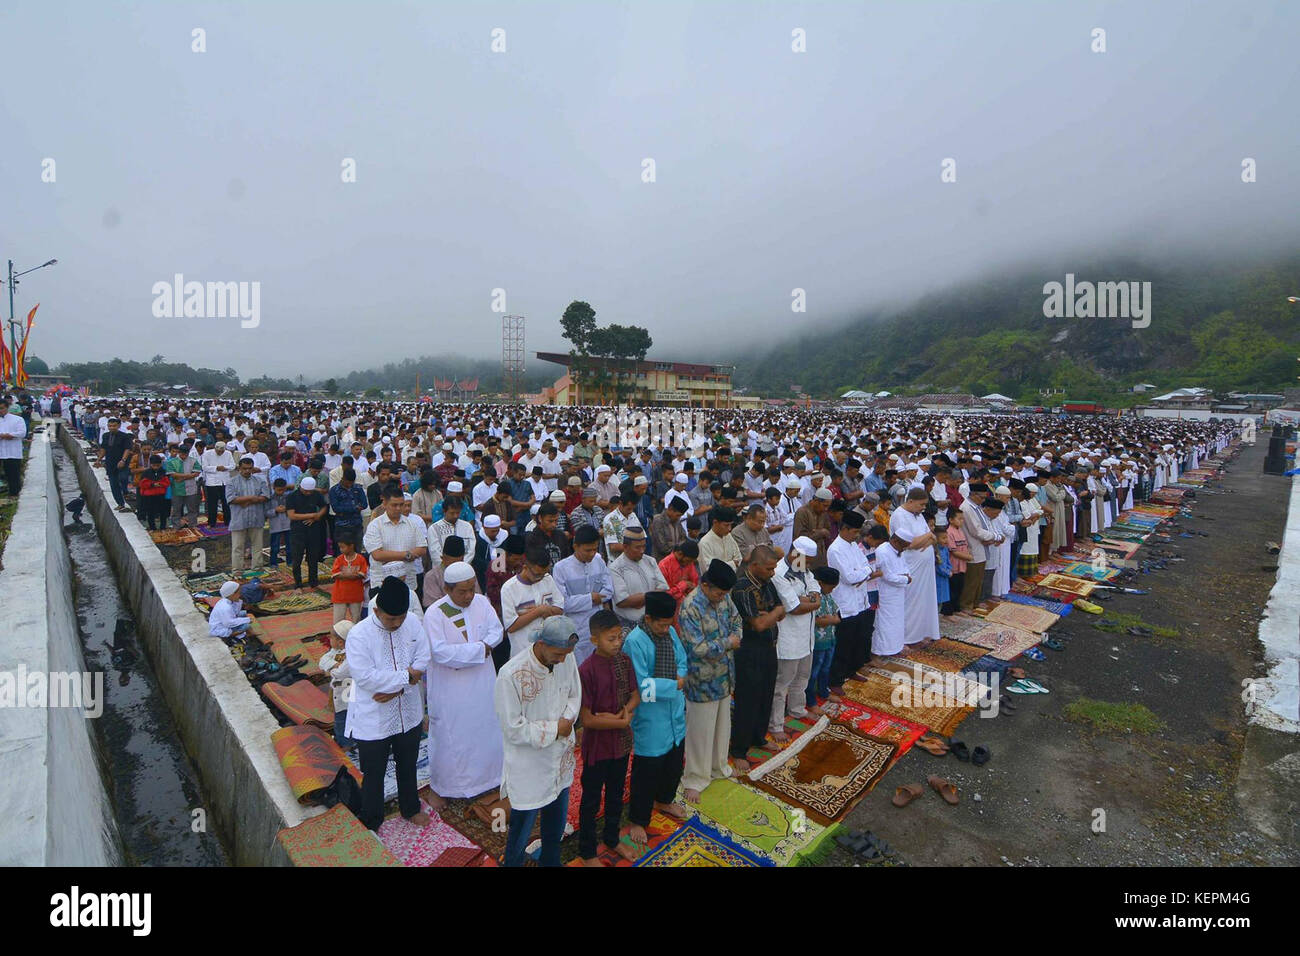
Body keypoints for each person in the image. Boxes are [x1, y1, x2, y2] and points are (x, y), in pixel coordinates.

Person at [495, 614, 582, 867]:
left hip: (561, 759)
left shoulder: (567, 656)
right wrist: (556, 729)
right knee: (521, 831)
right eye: (558, 654)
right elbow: (512, 729)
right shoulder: (511, 675)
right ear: (541, 643)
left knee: (554, 829)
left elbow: (574, 695)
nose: (563, 660)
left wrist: (566, 722)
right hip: (530, 765)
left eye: (566, 654)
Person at [347, 576, 431, 831]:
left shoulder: (413, 623)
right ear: (376, 611)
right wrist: (407, 678)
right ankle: (372, 820)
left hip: (408, 710)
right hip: (374, 716)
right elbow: (366, 677)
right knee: (374, 772)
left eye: (401, 618)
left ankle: (410, 808)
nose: (397, 624)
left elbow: (423, 658)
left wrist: (396, 690)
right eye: (390, 619)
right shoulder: (359, 634)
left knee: (408, 763)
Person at [424, 562, 505, 810]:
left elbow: (497, 631)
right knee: (450, 737)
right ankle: (444, 788)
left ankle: (488, 780)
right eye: (462, 591)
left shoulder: (481, 602)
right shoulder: (435, 614)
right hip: (451, 691)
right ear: (447, 589)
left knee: (485, 730)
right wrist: (481, 648)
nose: (468, 596)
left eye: (471, 589)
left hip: (483, 683)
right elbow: (440, 653)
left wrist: (481, 647)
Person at [623, 591, 689, 850]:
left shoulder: (670, 632)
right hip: (651, 719)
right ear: (648, 618)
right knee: (647, 770)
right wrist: (675, 684)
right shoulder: (635, 641)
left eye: (668, 623)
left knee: (673, 763)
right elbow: (642, 686)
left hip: (674, 712)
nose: (666, 629)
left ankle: (664, 800)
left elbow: (682, 661)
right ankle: (638, 818)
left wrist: (678, 681)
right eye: (661, 624)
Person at [576, 609, 640, 865]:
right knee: (591, 800)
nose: (616, 643)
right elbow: (588, 719)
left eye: (618, 637)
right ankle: (588, 851)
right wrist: (619, 720)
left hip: (621, 743)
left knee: (616, 793)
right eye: (610, 639)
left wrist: (627, 711)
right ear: (594, 640)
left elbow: (635, 694)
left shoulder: (624, 661)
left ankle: (612, 839)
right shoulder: (586, 670)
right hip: (597, 746)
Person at [677, 559, 742, 796]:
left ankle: (719, 767)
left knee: (722, 726)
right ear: (705, 585)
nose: (722, 597)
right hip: (702, 680)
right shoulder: (691, 606)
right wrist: (728, 643)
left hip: (724, 675)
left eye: (725, 593)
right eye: (719, 592)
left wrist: (735, 636)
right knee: (700, 731)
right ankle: (695, 778)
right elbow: (697, 648)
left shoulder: (724, 598)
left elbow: (737, 620)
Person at [729, 545, 786, 764]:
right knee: (748, 699)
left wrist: (771, 614)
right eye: (769, 569)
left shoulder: (767, 582)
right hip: (750, 651)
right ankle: (739, 749)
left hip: (769, 647)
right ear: (754, 566)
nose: (773, 573)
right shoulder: (742, 588)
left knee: (765, 695)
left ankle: (758, 737)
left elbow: (781, 610)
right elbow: (759, 623)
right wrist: (773, 614)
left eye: (774, 569)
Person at [769, 536, 823, 739]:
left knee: (802, 678)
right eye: (806, 560)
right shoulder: (778, 572)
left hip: (806, 637)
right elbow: (794, 607)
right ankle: (776, 724)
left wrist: (809, 598)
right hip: (788, 638)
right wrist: (811, 601)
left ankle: (797, 709)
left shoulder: (803, 569)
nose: (808, 565)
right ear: (794, 553)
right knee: (782, 684)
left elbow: (815, 588)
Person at [552, 525, 614, 666]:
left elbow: (609, 591)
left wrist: (596, 598)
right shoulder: (561, 568)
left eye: (595, 549)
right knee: (579, 668)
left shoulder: (599, 561)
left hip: (598, 625)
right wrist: (591, 598)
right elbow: (563, 603)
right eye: (588, 550)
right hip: (575, 627)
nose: (592, 553)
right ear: (575, 546)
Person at [826, 510, 872, 694]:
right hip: (845, 603)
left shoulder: (854, 546)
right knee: (843, 645)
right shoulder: (835, 549)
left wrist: (862, 573)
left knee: (858, 641)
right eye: (854, 532)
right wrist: (862, 574)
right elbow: (848, 577)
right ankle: (835, 680)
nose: (856, 536)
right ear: (844, 529)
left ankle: (851, 670)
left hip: (860, 601)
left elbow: (868, 566)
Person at [891, 488, 941, 647]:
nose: (923, 508)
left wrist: (927, 539)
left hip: (925, 568)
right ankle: (906, 638)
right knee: (910, 602)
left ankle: (921, 634)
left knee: (925, 601)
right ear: (910, 501)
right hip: (910, 566)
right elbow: (909, 543)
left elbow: (933, 539)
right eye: (921, 504)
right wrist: (927, 537)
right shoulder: (899, 515)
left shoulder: (918, 515)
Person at [501, 546, 563, 658]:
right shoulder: (509, 588)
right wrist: (539, 611)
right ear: (525, 567)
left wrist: (539, 610)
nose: (540, 578)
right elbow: (511, 626)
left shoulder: (547, 579)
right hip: (523, 653)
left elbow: (560, 610)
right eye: (537, 574)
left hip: (550, 650)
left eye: (544, 574)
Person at [363, 485, 426, 594]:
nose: (398, 508)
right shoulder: (375, 525)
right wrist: (407, 555)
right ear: (384, 503)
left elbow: (422, 549)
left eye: (401, 505)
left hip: (408, 582)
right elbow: (377, 555)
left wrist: (389, 556)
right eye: (394, 505)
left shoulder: (412, 524)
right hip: (381, 583)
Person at [610, 527, 668, 635]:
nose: (642, 551)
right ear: (625, 547)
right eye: (637, 548)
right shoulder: (615, 568)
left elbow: (664, 589)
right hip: (629, 627)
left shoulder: (650, 561)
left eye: (644, 546)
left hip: (653, 623)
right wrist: (651, 596)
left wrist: (641, 599)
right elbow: (622, 602)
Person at [870, 527, 913, 663]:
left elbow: (906, 568)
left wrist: (906, 576)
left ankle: (894, 648)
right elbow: (887, 576)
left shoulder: (900, 551)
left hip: (898, 593)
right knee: (883, 624)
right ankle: (877, 653)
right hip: (885, 594)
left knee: (897, 622)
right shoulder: (882, 551)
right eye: (904, 546)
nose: (904, 550)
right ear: (895, 541)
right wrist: (905, 579)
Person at [227, 457, 270, 572]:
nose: (247, 471)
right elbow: (231, 499)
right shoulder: (232, 481)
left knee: (257, 546)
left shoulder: (260, 480)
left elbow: (265, 496)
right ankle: (237, 570)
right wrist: (252, 498)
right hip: (239, 519)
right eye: (244, 468)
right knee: (237, 547)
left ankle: (257, 568)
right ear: (239, 468)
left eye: (249, 468)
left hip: (256, 517)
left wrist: (246, 501)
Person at [319, 620, 356, 752]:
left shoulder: (352, 654)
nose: (329, 639)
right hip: (338, 692)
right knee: (341, 717)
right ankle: (345, 741)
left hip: (347, 694)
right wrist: (334, 666)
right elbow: (322, 661)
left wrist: (330, 669)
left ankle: (347, 744)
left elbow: (340, 673)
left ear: (340, 642)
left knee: (344, 719)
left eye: (331, 637)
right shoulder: (335, 651)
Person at [807, 566, 841, 709]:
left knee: (826, 668)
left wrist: (831, 619)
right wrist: (831, 620)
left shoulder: (828, 596)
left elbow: (837, 615)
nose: (832, 590)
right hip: (818, 641)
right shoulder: (813, 597)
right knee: (813, 671)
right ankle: (810, 700)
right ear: (820, 583)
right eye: (831, 587)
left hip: (830, 638)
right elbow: (816, 620)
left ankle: (823, 692)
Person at [286, 475, 328, 589]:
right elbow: (292, 515)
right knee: (297, 558)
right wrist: (311, 515)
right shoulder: (292, 497)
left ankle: (313, 582)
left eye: (310, 491)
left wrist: (317, 516)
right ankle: (298, 583)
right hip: (297, 531)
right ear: (301, 487)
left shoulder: (316, 494)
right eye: (306, 491)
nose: (308, 493)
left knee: (313, 558)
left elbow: (324, 507)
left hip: (313, 529)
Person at [95, 417, 135, 513]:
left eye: (114, 426)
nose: (112, 428)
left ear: (118, 426)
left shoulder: (125, 436)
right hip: (110, 463)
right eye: (110, 426)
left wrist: (123, 460)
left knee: (123, 478)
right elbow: (103, 449)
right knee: (113, 484)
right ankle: (120, 503)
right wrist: (99, 460)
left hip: (122, 463)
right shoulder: (105, 436)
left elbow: (127, 449)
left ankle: (125, 491)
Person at [330, 538, 368, 623]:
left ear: (351, 546)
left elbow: (362, 574)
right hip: (340, 595)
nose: (341, 550)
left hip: (355, 595)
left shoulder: (360, 559)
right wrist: (354, 575)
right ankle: (338, 635)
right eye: (340, 547)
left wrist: (344, 575)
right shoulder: (339, 559)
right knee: (338, 621)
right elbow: (336, 575)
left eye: (343, 547)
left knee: (356, 619)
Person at [697, 505, 741, 574]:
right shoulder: (704, 543)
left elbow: (739, 559)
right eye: (726, 525)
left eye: (731, 525)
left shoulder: (728, 536)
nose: (729, 529)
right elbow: (709, 570)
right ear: (715, 522)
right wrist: (732, 564)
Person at [136, 453, 172, 530]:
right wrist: (152, 484)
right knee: (150, 513)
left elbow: (167, 483)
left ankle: (163, 527)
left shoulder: (164, 472)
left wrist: (160, 484)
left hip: (161, 496)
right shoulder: (146, 473)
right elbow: (142, 484)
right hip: (149, 497)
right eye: (154, 465)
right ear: (151, 464)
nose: (156, 467)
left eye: (157, 466)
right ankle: (152, 528)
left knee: (163, 513)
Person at [0, 397, 27, 499]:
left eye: (2, 408)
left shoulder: (17, 419)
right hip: (1, 450)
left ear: (7, 408)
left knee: (13, 473)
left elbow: (22, 433)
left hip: (13, 451)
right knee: (5, 474)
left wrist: (9, 435)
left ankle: (14, 494)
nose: (0, 411)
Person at [266, 477, 291, 565]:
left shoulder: (288, 497)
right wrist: (275, 510)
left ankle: (290, 563)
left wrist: (286, 509)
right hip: (275, 525)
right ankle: (273, 563)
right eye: (279, 490)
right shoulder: (269, 498)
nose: (281, 492)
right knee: (275, 546)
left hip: (288, 524)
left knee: (290, 546)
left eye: (283, 490)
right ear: (274, 488)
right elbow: (265, 512)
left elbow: (294, 509)